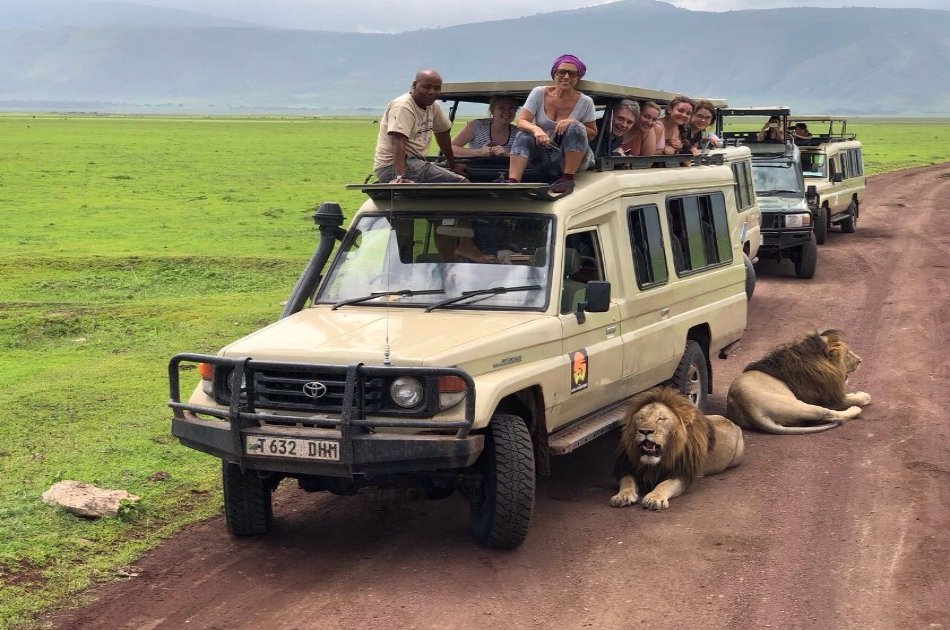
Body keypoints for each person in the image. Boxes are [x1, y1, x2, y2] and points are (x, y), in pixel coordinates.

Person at [502, 54, 597, 193]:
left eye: (571, 74)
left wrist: (573, 121)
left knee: (576, 127)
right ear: (554, 74)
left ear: (578, 78)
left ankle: (567, 178)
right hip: (546, 154)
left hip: (574, 158)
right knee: (524, 134)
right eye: (561, 72)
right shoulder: (539, 93)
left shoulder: (585, 101)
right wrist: (537, 130)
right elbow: (521, 121)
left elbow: (592, 132)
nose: (566, 77)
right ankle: (513, 181)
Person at [373, 69, 468, 184]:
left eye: (437, 88)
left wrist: (453, 165)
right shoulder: (403, 106)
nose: (432, 92)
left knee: (454, 176)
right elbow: (398, 141)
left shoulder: (433, 106)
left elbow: (443, 134)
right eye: (427, 87)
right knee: (461, 182)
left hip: (415, 163)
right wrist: (400, 177)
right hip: (392, 167)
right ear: (414, 85)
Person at [451, 96, 518, 157]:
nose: (506, 112)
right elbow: (451, 148)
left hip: (505, 169)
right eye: (501, 108)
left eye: (511, 108)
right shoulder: (477, 126)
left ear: (516, 111)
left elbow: (526, 159)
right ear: (492, 110)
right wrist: (478, 152)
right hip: (475, 168)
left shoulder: (517, 133)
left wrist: (506, 154)